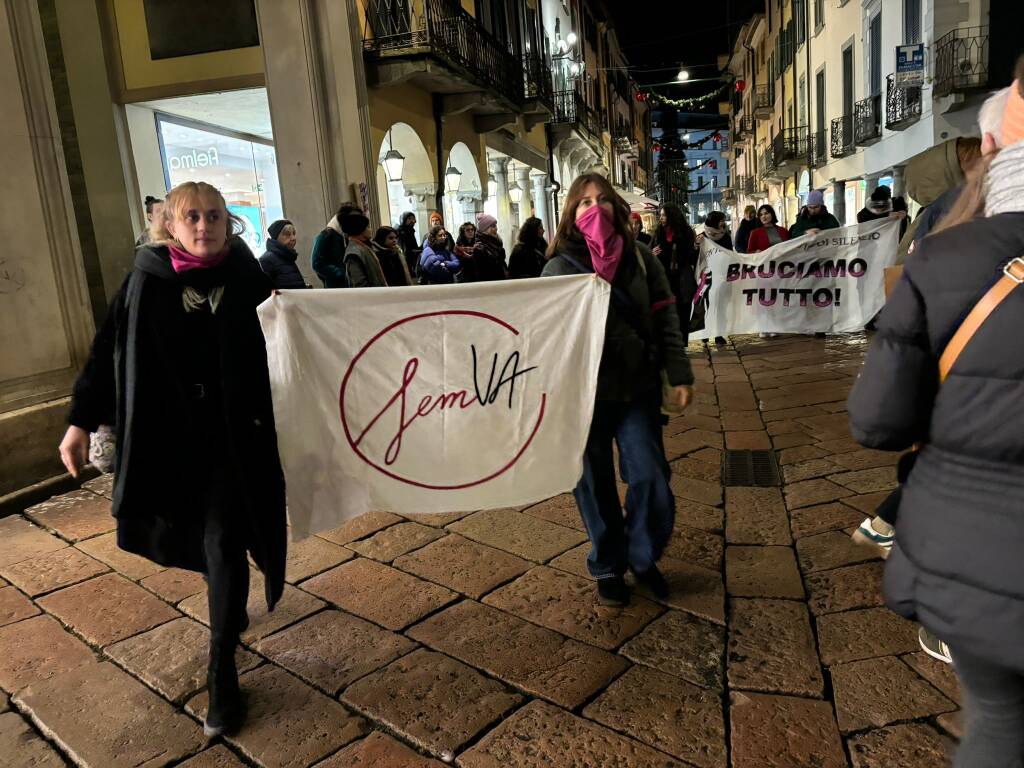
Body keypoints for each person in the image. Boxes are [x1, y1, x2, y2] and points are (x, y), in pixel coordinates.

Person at [58, 181, 286, 738]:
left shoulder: (250, 277)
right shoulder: (145, 280)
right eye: (192, 218)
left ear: (227, 223)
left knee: (226, 540)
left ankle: (222, 675)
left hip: (236, 442)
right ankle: (227, 604)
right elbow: (107, 349)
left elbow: (293, 340)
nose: (204, 226)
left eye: (214, 216)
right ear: (170, 224)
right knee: (195, 542)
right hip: (172, 444)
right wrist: (79, 422)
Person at [847, 71, 1024, 768]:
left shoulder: (945, 255)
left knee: (1002, 725)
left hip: (977, 556)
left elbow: (877, 421)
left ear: (986, 148)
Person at [541, 173, 694, 607]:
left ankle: (643, 556)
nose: (594, 208)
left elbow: (667, 320)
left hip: (637, 389)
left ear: (618, 209)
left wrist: (678, 374)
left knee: (650, 474)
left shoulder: (643, 259)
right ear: (571, 213)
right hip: (581, 397)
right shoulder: (557, 267)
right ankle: (608, 564)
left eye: (602, 199)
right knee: (592, 484)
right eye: (584, 201)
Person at [651, 203, 698, 335]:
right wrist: (651, 252)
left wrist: (695, 247)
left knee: (683, 310)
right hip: (664, 277)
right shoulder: (658, 233)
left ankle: (682, 342)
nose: (661, 218)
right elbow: (650, 251)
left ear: (672, 216)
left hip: (682, 278)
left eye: (664, 215)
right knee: (666, 310)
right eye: (660, 215)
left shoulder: (686, 232)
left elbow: (692, 256)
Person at [693, 211, 730, 346]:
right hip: (706, 277)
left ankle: (719, 335)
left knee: (720, 306)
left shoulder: (726, 236)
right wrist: (697, 245)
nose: (723, 223)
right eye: (721, 220)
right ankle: (705, 333)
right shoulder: (702, 237)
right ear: (714, 221)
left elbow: (730, 253)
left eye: (723, 220)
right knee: (707, 305)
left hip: (721, 276)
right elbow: (695, 256)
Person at [311, 202, 361, 288]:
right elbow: (317, 263)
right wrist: (340, 273)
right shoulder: (326, 235)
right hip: (336, 287)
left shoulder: (346, 235)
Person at [259, 219, 308, 289]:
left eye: (294, 233)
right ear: (276, 237)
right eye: (287, 234)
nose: (293, 238)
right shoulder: (267, 259)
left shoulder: (287, 256)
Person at [343, 212, 387, 288]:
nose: (370, 229)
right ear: (360, 230)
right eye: (368, 227)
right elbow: (359, 284)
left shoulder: (363, 247)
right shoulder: (354, 253)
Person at [471, 213, 508, 281]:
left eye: (496, 226)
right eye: (493, 226)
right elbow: (483, 273)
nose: (496, 228)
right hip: (491, 285)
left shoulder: (496, 243)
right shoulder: (479, 247)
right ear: (485, 229)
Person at [396, 212, 422, 278]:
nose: (412, 221)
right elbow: (405, 251)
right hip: (406, 261)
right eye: (409, 218)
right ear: (404, 220)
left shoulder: (410, 231)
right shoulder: (401, 232)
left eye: (413, 218)